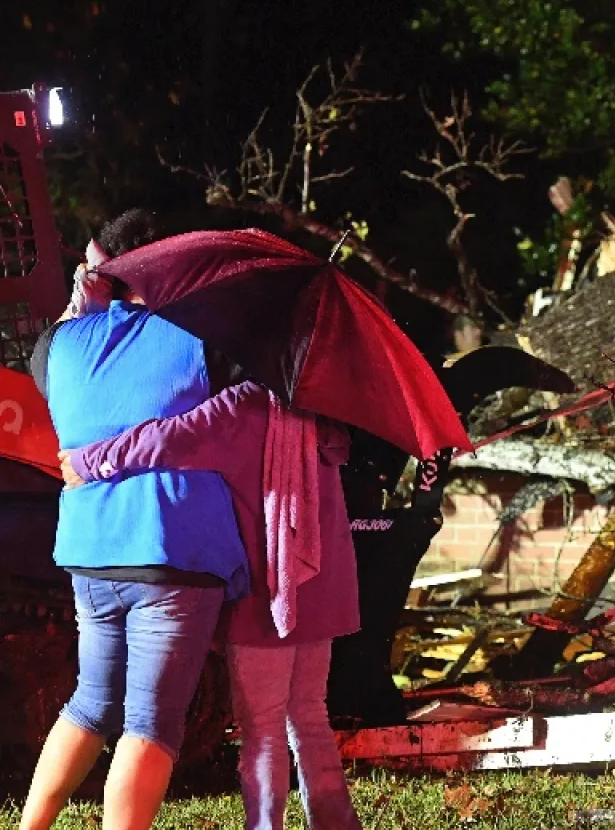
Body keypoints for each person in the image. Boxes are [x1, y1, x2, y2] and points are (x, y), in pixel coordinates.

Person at [21, 210, 249, 830]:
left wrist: (84, 299)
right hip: (170, 548)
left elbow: (58, 367)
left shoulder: (57, 347)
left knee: (91, 703)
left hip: (89, 549)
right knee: (152, 720)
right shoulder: (201, 337)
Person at [61, 379, 364, 830]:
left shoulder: (242, 406)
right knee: (309, 715)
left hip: (268, 591)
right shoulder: (322, 410)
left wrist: (87, 460)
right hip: (320, 590)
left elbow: (164, 439)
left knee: (262, 730)